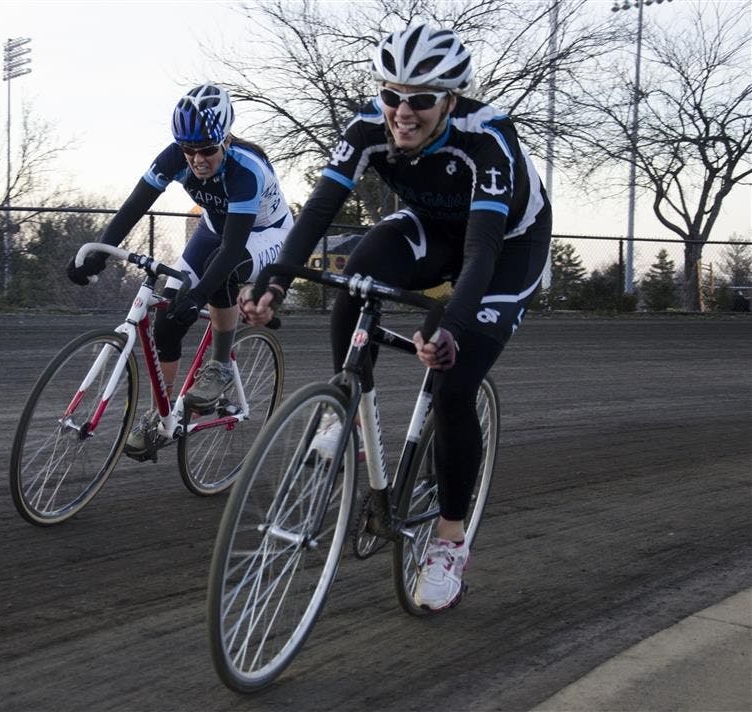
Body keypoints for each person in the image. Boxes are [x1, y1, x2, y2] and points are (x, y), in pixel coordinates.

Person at [239, 24, 551, 611]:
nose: (403, 113)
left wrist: (450, 328)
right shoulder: (366, 128)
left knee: (453, 384)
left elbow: (482, 254)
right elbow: (319, 210)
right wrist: (274, 281)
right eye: (391, 95)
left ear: (451, 101)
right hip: (433, 228)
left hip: (506, 247)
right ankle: (344, 409)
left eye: (421, 99)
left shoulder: (488, 140)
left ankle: (449, 542)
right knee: (358, 276)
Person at [67, 83, 293, 461]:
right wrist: (98, 254)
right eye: (189, 150)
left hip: (266, 233)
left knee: (221, 269)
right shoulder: (175, 156)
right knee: (168, 321)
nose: (197, 159)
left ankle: (220, 365)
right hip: (214, 226)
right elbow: (133, 206)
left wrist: (198, 296)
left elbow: (232, 249)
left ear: (226, 139)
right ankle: (161, 416)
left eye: (207, 149)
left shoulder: (245, 170)